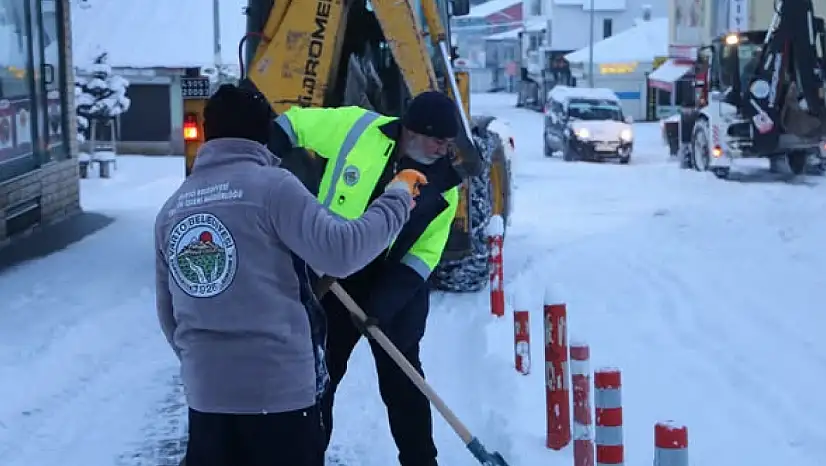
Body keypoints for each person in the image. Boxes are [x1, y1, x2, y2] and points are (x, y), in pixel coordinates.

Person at [153, 84, 427, 466]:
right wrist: (397, 197)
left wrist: (207, 365)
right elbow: (342, 252)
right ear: (263, 133)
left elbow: (169, 315)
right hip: (277, 395)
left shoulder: (173, 208)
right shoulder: (273, 189)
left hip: (206, 397)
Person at [270, 91, 462, 466]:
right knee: (319, 380)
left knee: (404, 382)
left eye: (449, 142)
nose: (444, 149)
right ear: (412, 131)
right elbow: (294, 124)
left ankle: (421, 461)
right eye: (438, 140)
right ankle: (307, 457)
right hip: (334, 275)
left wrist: (384, 305)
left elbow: (423, 256)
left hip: (395, 286)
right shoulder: (357, 128)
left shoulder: (445, 186)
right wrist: (264, 154)